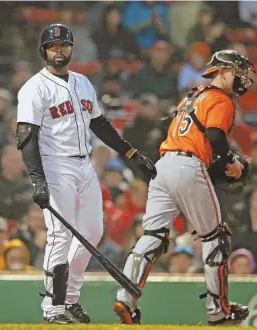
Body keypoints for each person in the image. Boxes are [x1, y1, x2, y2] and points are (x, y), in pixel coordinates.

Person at [16, 23, 156, 324]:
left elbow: (100, 124)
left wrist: (130, 153)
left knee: (92, 232)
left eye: (64, 46)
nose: (59, 51)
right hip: (55, 165)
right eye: (53, 47)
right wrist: (38, 179)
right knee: (59, 236)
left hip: (84, 165)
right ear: (44, 51)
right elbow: (27, 137)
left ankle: (70, 298)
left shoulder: (82, 82)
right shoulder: (33, 88)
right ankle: (52, 309)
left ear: (71, 49)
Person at [113, 49, 255, 325]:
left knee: (152, 236)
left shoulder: (192, 95)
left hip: (163, 165)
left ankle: (125, 298)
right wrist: (230, 162)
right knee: (216, 237)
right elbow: (214, 135)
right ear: (222, 72)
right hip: (188, 166)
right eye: (238, 73)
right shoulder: (220, 98)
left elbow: (174, 128)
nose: (243, 79)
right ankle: (218, 310)